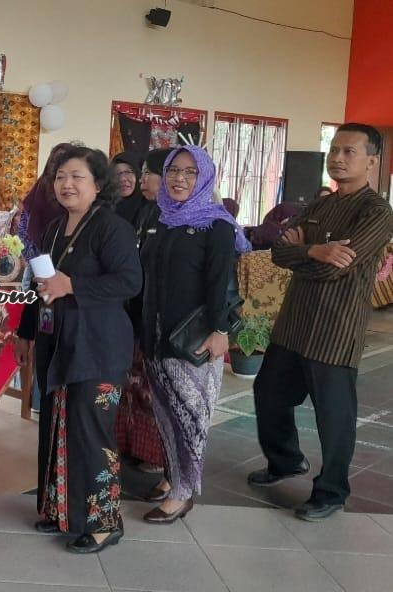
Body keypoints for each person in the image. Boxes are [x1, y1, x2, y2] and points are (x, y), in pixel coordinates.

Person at [249, 123, 393, 521]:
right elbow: (278, 251)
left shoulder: (377, 212)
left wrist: (306, 254)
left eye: (349, 152)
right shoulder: (319, 204)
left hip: (334, 329)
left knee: (334, 415)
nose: (338, 158)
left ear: (371, 161)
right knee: (269, 393)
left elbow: (336, 270)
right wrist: (315, 250)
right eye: (334, 150)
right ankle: (285, 461)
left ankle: (331, 491)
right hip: (294, 324)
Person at [16, 146, 142, 553]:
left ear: (98, 184)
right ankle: (62, 512)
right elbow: (44, 284)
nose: (66, 184)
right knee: (57, 427)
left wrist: (74, 286)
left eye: (77, 177)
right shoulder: (54, 227)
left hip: (99, 346)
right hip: (60, 343)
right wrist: (27, 329)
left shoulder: (112, 227)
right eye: (60, 177)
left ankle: (105, 522)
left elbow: (129, 282)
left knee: (92, 432)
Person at [139, 145, 251, 524]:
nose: (179, 179)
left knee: (191, 417)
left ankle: (185, 492)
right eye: (173, 171)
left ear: (204, 177)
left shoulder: (217, 225)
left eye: (189, 172)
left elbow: (219, 285)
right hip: (157, 334)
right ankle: (174, 477)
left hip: (195, 341)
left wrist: (221, 331)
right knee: (166, 415)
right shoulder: (163, 219)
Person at [116, 148, 171, 481]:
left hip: (160, 318)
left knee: (152, 392)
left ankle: (159, 458)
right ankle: (131, 445)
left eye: (148, 172)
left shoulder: (174, 217)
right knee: (133, 385)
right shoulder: (145, 212)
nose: (141, 179)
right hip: (134, 311)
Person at [15, 142, 74, 415]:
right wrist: (41, 260)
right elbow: (24, 231)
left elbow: (23, 233)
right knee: (45, 333)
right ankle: (42, 403)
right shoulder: (42, 191)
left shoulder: (70, 196)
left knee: (49, 335)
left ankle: (44, 404)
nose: (65, 181)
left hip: (52, 271)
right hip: (44, 271)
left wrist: (37, 258)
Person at [112, 152, 145, 223]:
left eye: (128, 172)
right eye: (116, 173)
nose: (122, 178)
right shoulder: (107, 207)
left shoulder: (148, 208)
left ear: (138, 174)